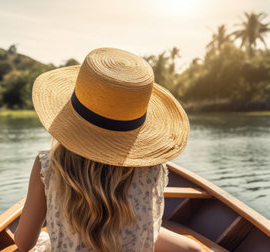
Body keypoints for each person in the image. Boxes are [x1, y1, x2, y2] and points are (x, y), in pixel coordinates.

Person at [14, 48, 204, 252]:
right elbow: (149, 233)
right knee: (195, 250)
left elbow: (24, 243)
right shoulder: (151, 169)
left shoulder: (48, 166)